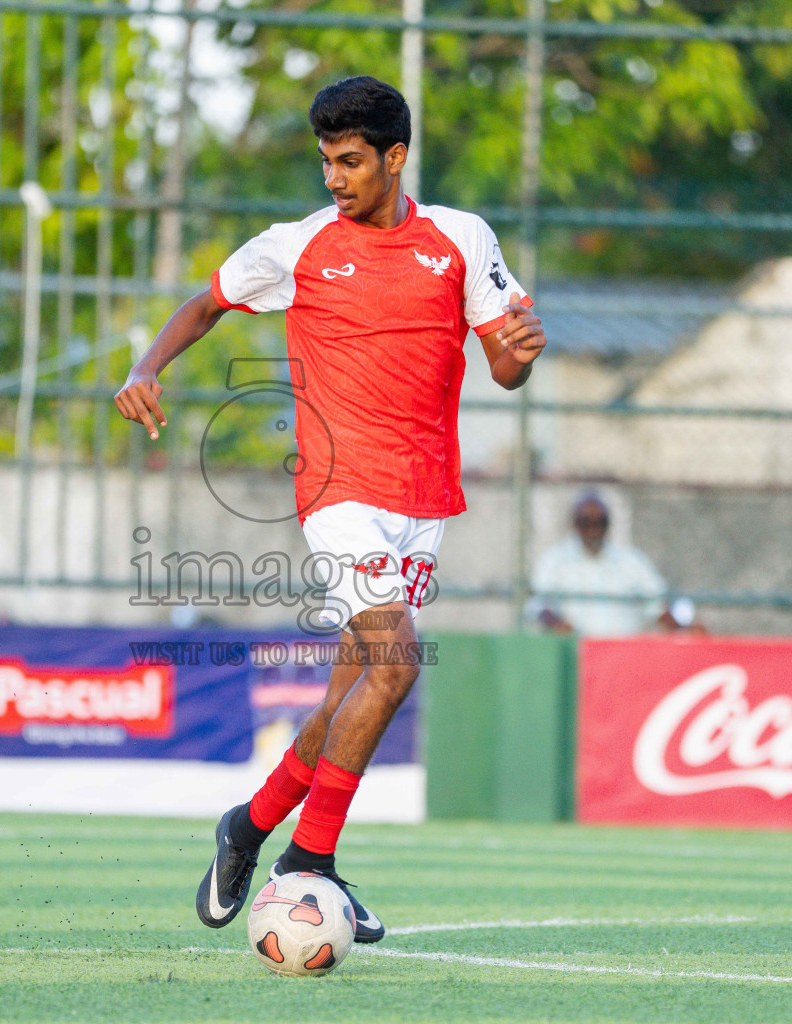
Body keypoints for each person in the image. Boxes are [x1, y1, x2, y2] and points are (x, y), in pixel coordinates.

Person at [114, 76, 546, 943]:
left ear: (395, 157)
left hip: (423, 498)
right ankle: (309, 863)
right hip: (337, 488)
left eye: (350, 162)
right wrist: (145, 367)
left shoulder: (461, 239)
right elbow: (206, 303)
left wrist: (521, 357)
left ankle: (249, 824)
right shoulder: (299, 245)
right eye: (325, 162)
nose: (335, 179)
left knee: (353, 691)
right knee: (397, 663)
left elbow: (504, 363)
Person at [532, 490, 684, 637]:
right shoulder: (554, 561)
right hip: (574, 652)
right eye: (586, 523)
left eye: (599, 523)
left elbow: (657, 603)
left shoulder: (631, 561)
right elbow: (539, 606)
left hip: (622, 653)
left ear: (608, 524)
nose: (593, 530)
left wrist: (683, 630)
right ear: (575, 524)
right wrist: (557, 625)